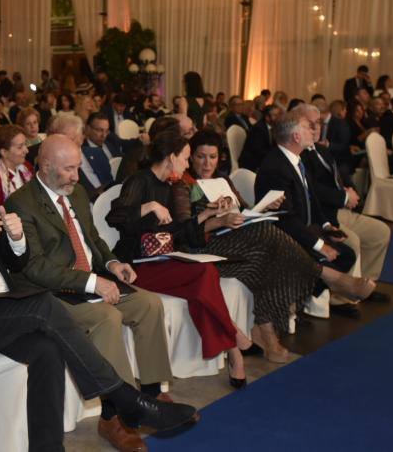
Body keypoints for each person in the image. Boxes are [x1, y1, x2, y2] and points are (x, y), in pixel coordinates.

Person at [0, 134, 198, 451]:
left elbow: (13, 261)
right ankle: (128, 399)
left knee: (47, 349)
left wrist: (16, 240)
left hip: (2, 303)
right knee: (44, 305)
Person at [5, 135, 177, 450]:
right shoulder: (22, 203)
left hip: (90, 279)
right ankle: (116, 417)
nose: (75, 176)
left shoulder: (78, 193)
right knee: (106, 318)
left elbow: (93, 239)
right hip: (51, 293)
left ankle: (151, 395)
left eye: (77, 167)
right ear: (44, 167)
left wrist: (112, 263)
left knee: (148, 303)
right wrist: (92, 283)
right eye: (68, 169)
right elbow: (35, 268)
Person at [106, 131, 251, 382]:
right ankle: (233, 341)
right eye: (184, 158)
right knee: (204, 274)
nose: (187, 164)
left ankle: (233, 348)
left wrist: (205, 215)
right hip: (136, 264)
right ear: (171, 157)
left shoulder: (169, 186)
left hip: (163, 258)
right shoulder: (139, 180)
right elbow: (116, 217)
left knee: (202, 283)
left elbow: (178, 234)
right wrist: (150, 206)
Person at [172, 131, 322, 361]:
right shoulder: (183, 184)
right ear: (191, 157)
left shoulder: (222, 179)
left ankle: (266, 333)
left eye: (212, 157)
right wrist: (219, 220)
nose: (206, 163)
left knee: (267, 260)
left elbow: (243, 211)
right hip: (205, 248)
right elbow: (185, 232)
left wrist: (264, 207)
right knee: (267, 237)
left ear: (219, 157)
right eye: (201, 157)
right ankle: (320, 273)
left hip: (237, 242)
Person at [254, 112, 375, 302]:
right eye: (307, 127)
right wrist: (321, 246)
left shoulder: (297, 159)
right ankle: (302, 297)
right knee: (329, 257)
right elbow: (285, 218)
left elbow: (313, 199)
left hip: (306, 228)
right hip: (285, 235)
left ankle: (302, 297)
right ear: (296, 136)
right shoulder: (275, 167)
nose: (313, 130)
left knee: (347, 255)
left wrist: (327, 226)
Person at [298, 104, 392, 313]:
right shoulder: (300, 154)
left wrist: (349, 190)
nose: (316, 128)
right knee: (353, 242)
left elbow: (337, 175)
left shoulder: (321, 149)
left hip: (341, 209)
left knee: (380, 232)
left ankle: (365, 285)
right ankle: (341, 295)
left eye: (319, 123)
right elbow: (312, 191)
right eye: (310, 125)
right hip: (324, 215)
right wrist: (342, 196)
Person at [0, 125, 34, 206]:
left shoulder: (27, 167)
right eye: (20, 147)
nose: (26, 150)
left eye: (25, 145)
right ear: (4, 152)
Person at [81, 112, 124, 193]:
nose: (104, 135)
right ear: (88, 128)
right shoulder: (82, 151)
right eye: (100, 130)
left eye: (106, 131)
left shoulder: (111, 142)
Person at [239, 104, 281, 171]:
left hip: (263, 159)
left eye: (279, 114)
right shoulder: (258, 129)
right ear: (267, 117)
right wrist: (275, 155)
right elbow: (258, 151)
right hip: (252, 163)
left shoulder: (274, 127)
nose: (278, 117)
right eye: (275, 115)